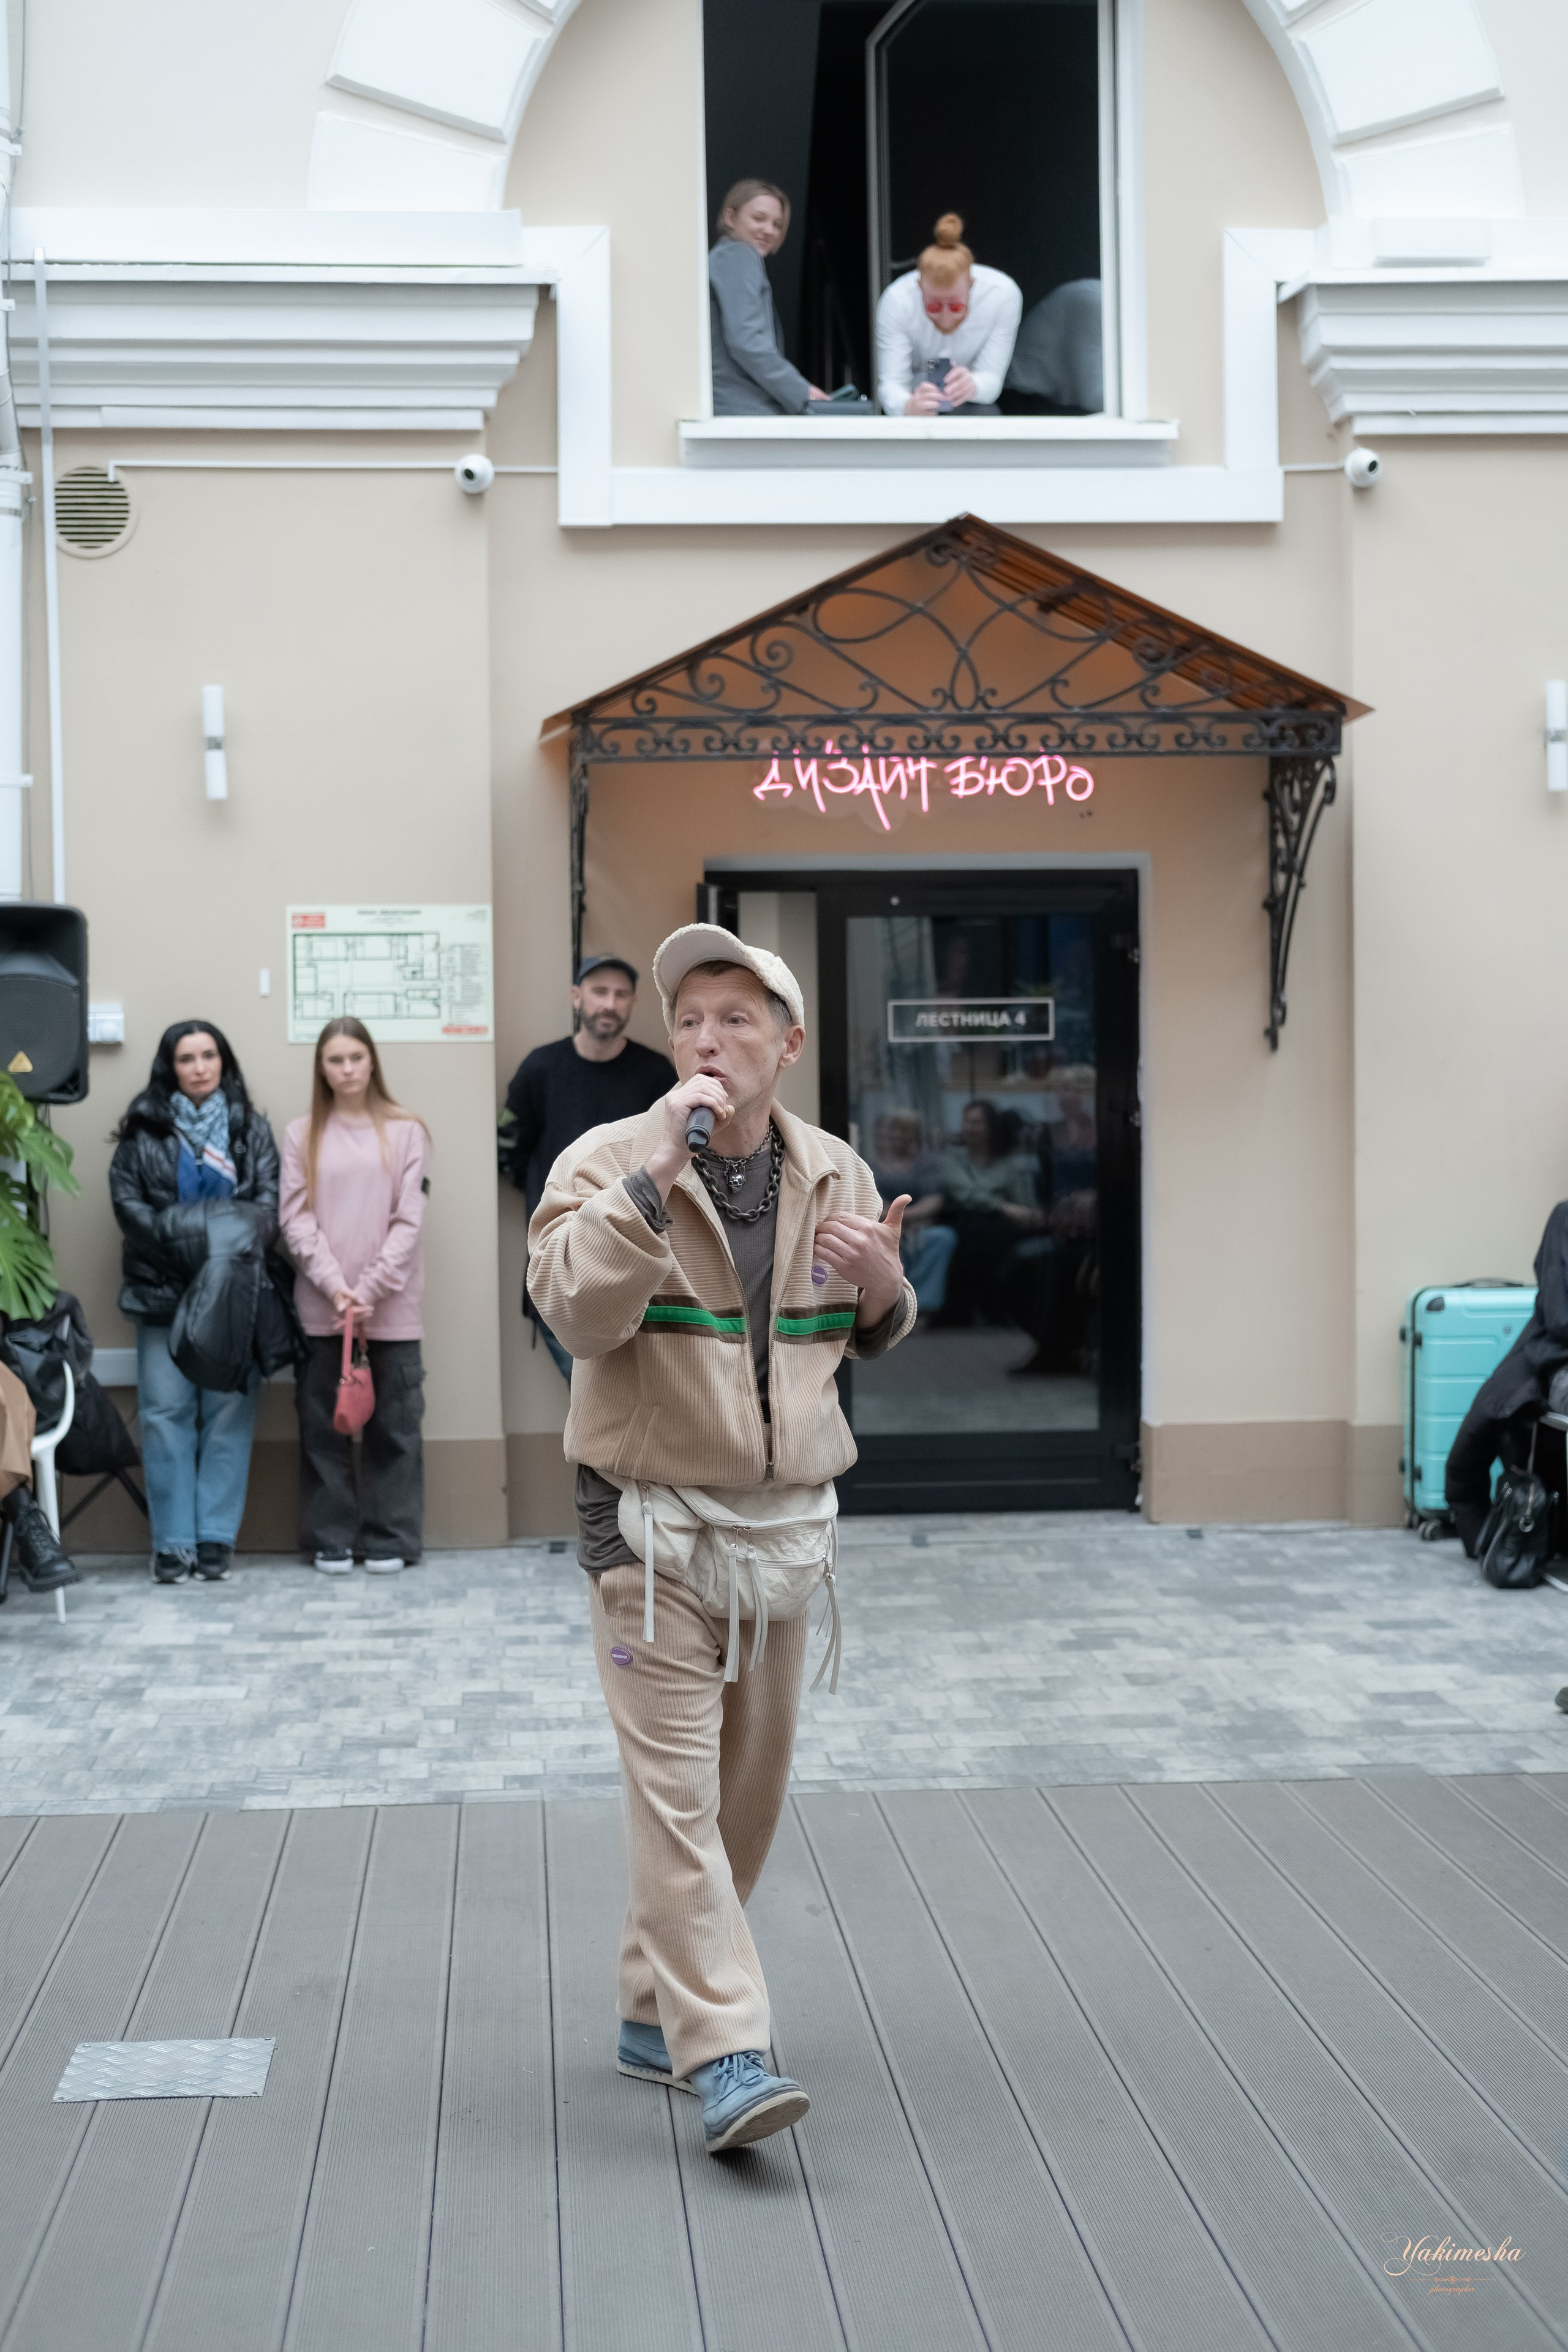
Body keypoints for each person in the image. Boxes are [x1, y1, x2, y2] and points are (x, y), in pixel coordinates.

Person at [528, 924, 915, 2154]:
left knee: (745, 1797)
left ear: (786, 1045)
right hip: (643, 1526)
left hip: (778, 1537)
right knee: (676, 1797)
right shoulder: (602, 1160)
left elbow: (873, 1329)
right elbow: (576, 1314)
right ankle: (727, 2052)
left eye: (735, 1019)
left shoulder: (836, 1175)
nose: (705, 1039)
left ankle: (654, 2010)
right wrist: (649, 1184)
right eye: (688, 1017)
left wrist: (881, 1285)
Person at [108, 1022, 281, 1585]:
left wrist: (194, 1236)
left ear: (224, 1063)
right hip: (162, 1291)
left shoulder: (251, 1129)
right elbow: (132, 1213)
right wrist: (209, 1238)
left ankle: (213, 1540)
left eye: (210, 1056)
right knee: (164, 1415)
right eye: (188, 1058)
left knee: (229, 1415)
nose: (200, 1067)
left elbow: (266, 1210)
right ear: (170, 1067)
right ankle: (173, 1544)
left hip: (234, 1295)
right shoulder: (141, 1131)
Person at [281, 1018, 429, 1575]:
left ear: (372, 1062)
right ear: (321, 1067)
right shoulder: (302, 1135)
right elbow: (295, 1220)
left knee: (395, 1427)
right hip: (324, 1312)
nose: (346, 1069)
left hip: (390, 1311)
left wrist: (367, 1289)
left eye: (355, 1057)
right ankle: (331, 1537)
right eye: (335, 1059)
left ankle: (390, 1537)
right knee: (324, 1428)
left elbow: (409, 1222)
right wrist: (334, 1286)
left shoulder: (407, 1131)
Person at [500, 955, 676, 1381]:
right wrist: (555, 1196)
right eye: (600, 992)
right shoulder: (539, 1069)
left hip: (639, 1260)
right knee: (589, 1398)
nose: (609, 1004)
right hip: (562, 1258)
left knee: (634, 1396)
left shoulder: (656, 1075)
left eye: (620, 994)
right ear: (577, 997)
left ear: (633, 1002)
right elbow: (508, 1149)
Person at [1446, 1202, 1568, 1557]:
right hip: (1559, 1361)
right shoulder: (1565, 1219)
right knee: (1483, 1429)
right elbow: (1561, 1317)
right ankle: (1490, 1535)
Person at [875, 213, 1022, 418]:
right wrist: (907, 407)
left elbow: (991, 378)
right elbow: (891, 384)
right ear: (919, 288)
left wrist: (974, 385)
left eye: (956, 306)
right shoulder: (897, 300)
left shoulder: (1002, 294)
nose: (946, 318)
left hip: (972, 405)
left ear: (971, 286)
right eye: (934, 306)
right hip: (915, 400)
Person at [708, 178, 826, 418]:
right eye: (759, 219)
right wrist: (805, 393)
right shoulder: (738, 255)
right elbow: (747, 342)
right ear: (730, 218)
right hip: (745, 409)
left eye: (777, 224)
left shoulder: (721, 258)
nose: (769, 230)